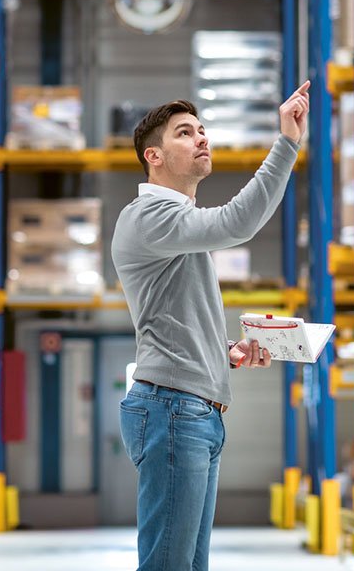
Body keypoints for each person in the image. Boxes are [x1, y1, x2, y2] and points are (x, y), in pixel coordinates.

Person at [111, 80, 310, 571]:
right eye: (185, 133)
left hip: (192, 410)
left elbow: (171, 319)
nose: (202, 138)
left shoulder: (177, 224)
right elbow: (238, 222)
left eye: (202, 130)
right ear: (153, 156)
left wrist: (225, 351)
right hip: (173, 409)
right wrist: (285, 144)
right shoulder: (149, 215)